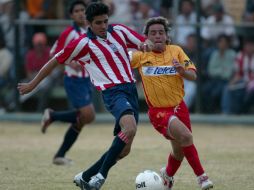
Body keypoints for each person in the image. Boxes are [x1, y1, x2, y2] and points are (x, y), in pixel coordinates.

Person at [17, 2, 152, 190]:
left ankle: (85, 176)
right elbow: (54, 60)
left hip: (130, 89)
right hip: (112, 92)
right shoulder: (82, 43)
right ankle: (99, 178)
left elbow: (143, 42)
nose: (103, 26)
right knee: (127, 128)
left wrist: (149, 45)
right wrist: (32, 84)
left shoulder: (119, 31)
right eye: (98, 23)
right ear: (89, 23)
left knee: (124, 149)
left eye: (105, 21)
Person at [130, 16, 213, 190]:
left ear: (167, 36)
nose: (157, 36)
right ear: (147, 37)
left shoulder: (176, 50)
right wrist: (134, 47)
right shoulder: (140, 56)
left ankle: (167, 176)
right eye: (153, 33)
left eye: (161, 32)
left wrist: (182, 71)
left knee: (179, 151)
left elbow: (193, 75)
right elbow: (118, 59)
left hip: (179, 107)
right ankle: (202, 178)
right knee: (187, 137)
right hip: (159, 112)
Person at [39, 0, 96, 166]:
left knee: (81, 121)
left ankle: (59, 155)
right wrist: (70, 62)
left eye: (82, 10)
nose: (80, 13)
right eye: (76, 11)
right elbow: (54, 52)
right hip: (73, 80)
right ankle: (52, 115)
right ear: (71, 15)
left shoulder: (91, 31)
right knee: (88, 116)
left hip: (86, 80)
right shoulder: (69, 33)